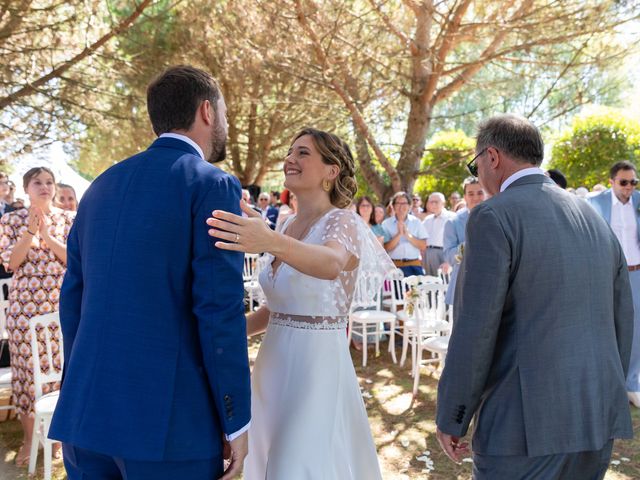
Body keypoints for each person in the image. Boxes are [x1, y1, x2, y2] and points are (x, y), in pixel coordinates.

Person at [49, 66, 251, 479]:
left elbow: (72, 302)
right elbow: (218, 311)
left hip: (86, 416)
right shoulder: (212, 184)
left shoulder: (100, 186)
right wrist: (237, 418)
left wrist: (79, 391)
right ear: (207, 112)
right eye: (225, 114)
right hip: (170, 426)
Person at [436, 114, 633, 479]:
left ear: (491, 157)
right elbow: (622, 314)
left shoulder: (492, 216)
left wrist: (453, 414)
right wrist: (607, 388)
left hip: (523, 426)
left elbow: (475, 328)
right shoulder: (593, 217)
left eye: (475, 163)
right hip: (595, 413)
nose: (478, 173)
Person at [207, 127, 393, 479]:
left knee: (296, 465)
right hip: (273, 363)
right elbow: (278, 308)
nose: (290, 158)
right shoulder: (289, 224)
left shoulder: (345, 221)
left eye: (303, 153)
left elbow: (330, 264)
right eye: (290, 152)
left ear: (331, 170)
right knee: (267, 459)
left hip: (316, 367)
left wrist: (270, 240)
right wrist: (223, 331)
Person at [0, 167, 75, 466]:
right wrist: (30, 232)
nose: (44, 187)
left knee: (60, 370)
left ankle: (57, 437)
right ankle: (30, 439)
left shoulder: (69, 219)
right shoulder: (10, 220)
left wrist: (46, 234)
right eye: (37, 182)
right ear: (26, 188)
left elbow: (73, 260)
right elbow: (11, 262)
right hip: (24, 309)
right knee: (26, 373)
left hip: (60, 303)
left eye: (49, 182)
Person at [589, 160, 640, 408]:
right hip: (606, 273)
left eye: (633, 182)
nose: (629, 187)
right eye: (624, 182)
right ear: (612, 182)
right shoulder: (595, 203)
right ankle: (607, 382)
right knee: (605, 325)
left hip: (636, 272)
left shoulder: (639, 202)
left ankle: (631, 384)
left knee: (636, 328)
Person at [442, 177, 485, 305]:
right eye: (471, 194)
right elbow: (449, 257)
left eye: (480, 193)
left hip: (490, 285)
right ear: (465, 197)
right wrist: (471, 242)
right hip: (463, 287)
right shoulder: (453, 222)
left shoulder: (497, 217)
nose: (476, 197)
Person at [382, 191, 428, 276]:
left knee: (417, 289)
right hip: (395, 266)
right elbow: (386, 248)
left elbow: (423, 246)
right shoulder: (386, 224)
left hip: (414, 265)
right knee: (395, 289)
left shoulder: (416, 222)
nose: (401, 206)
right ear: (393, 206)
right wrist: (399, 234)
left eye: (404, 203)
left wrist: (408, 235)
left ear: (409, 206)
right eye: (398, 203)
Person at [421, 192, 454, 276]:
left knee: (445, 283)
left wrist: (449, 261)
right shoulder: (427, 220)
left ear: (443, 203)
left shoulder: (452, 217)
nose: (433, 204)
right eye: (431, 202)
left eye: (436, 202)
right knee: (430, 283)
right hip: (428, 254)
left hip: (444, 254)